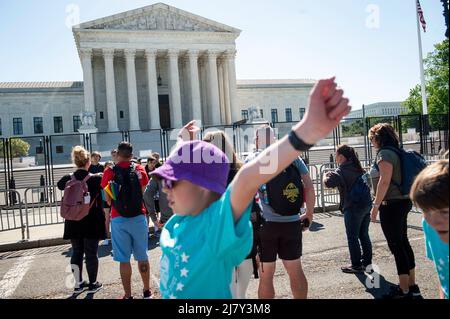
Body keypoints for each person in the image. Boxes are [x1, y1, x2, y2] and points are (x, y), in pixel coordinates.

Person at [150, 77, 350, 299]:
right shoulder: (178, 221)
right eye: (164, 181)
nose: (165, 189)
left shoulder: (213, 224)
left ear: (203, 188)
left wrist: (305, 132)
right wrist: (183, 142)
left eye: (172, 182)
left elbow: (247, 178)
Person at [244, 125, 315, 299]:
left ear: (257, 140)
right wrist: (309, 214)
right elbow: (309, 186)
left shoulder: (253, 158)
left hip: (265, 225)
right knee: (295, 269)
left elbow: (245, 191)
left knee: (266, 275)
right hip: (292, 222)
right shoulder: (293, 157)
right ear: (275, 139)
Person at [202, 129, 259, 299]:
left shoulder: (208, 175)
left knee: (229, 289)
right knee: (240, 292)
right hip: (243, 232)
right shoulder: (241, 170)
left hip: (221, 235)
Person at [368, 123, 421, 299]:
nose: (371, 142)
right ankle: (411, 286)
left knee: (396, 246)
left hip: (391, 205)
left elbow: (384, 181)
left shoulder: (384, 154)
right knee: (403, 243)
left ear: (378, 138)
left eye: (372, 139)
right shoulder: (398, 151)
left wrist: (375, 206)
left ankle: (403, 289)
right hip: (404, 201)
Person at [101, 142, 151, 299]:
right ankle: (147, 290)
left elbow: (108, 200)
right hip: (138, 217)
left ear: (118, 154)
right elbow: (143, 193)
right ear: (131, 154)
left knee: (124, 259)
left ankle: (128, 295)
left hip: (118, 218)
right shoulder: (140, 169)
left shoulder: (109, 172)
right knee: (142, 256)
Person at [57, 146, 105, 296]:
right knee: (91, 253)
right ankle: (93, 283)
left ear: (75, 162)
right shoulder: (96, 179)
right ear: (88, 162)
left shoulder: (67, 178)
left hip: (73, 220)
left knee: (77, 252)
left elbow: (59, 185)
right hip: (91, 220)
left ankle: (78, 284)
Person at [323, 145, 373, 273]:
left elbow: (328, 183)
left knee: (352, 237)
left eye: (336, 155)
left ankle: (356, 265)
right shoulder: (359, 168)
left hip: (352, 207)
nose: (335, 157)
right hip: (366, 204)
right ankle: (367, 263)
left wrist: (325, 175)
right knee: (364, 235)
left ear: (341, 157)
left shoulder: (341, 171)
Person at [410, 160, 449, 299]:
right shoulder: (430, 227)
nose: (435, 221)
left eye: (444, 212)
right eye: (426, 210)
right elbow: (443, 276)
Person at [101, 161, 114, 246]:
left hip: (114, 199)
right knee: (107, 219)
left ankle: (113, 237)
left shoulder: (115, 175)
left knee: (113, 219)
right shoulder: (102, 176)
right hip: (105, 199)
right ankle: (106, 237)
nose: (109, 168)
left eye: (110, 166)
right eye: (107, 166)